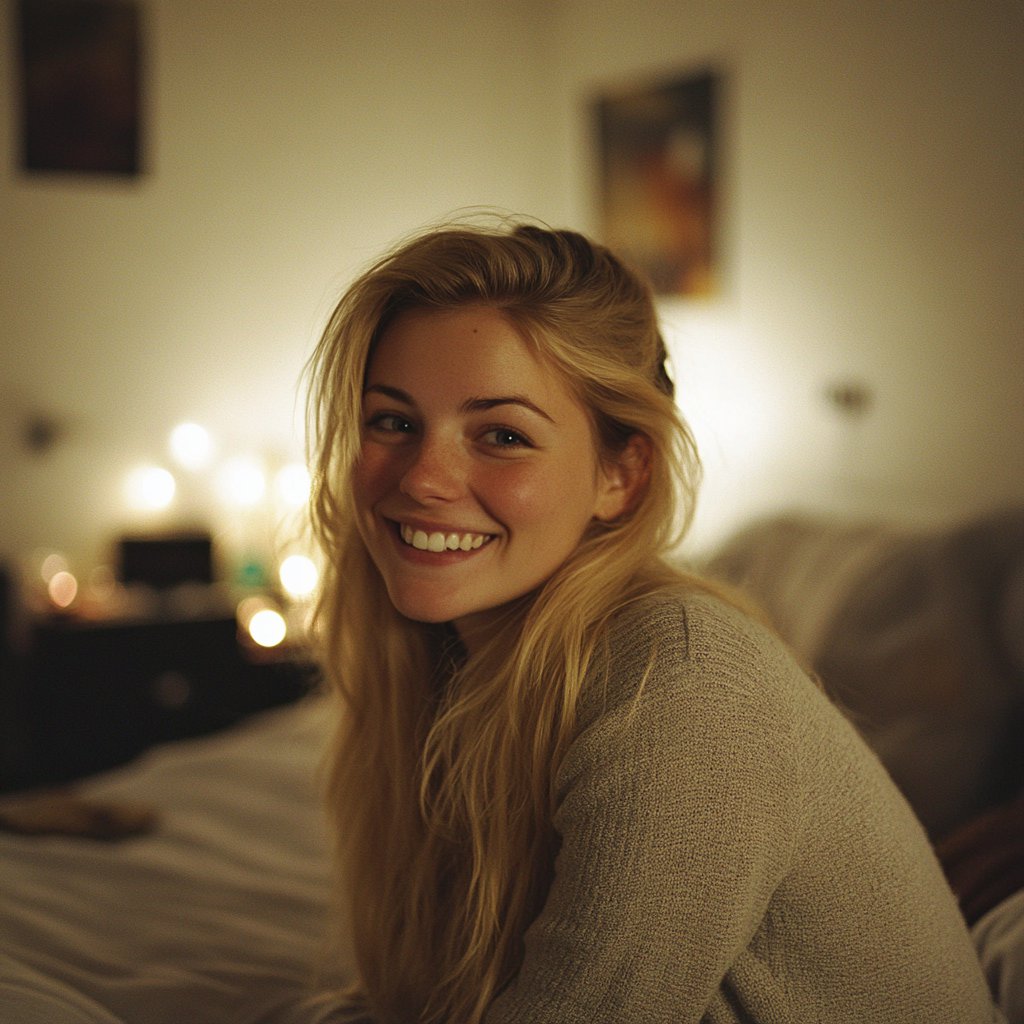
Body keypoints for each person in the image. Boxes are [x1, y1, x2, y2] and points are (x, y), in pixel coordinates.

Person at [304, 218, 1000, 1024]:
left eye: (501, 436)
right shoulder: (435, 670)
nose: (425, 479)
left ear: (621, 475)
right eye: (392, 421)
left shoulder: (685, 679)